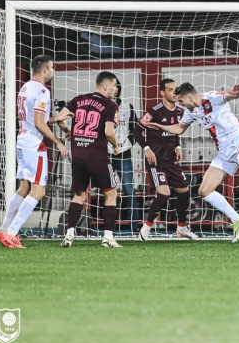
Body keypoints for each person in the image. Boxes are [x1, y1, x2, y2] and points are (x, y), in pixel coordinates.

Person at [144, 82, 239, 242]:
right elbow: (179, 128)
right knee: (204, 190)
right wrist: (160, 126)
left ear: (190, 97)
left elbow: (228, 96)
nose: (180, 105)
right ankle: (237, 219)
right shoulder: (190, 111)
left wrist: (236, 93)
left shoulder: (211, 98)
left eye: (181, 101)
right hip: (224, 152)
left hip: (237, 142)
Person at [0, 54, 69, 249]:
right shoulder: (42, 91)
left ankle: (3, 230)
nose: (54, 70)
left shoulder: (26, 87)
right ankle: (11, 233)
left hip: (23, 141)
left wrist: (56, 118)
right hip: (34, 145)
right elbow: (38, 123)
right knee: (39, 190)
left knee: (24, 188)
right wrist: (58, 142)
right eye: (52, 67)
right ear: (44, 70)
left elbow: (35, 118)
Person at [56, 71, 123, 248]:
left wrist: (68, 132)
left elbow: (60, 118)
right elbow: (109, 132)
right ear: (105, 86)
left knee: (79, 195)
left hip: (78, 155)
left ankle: (69, 234)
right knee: (111, 193)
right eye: (114, 85)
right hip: (98, 156)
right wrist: (116, 145)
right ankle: (108, 237)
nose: (116, 89)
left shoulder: (79, 100)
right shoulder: (110, 105)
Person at [134, 78, 197, 241]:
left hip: (171, 160)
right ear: (162, 92)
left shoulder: (179, 111)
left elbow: (176, 131)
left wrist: (178, 147)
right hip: (157, 161)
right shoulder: (154, 111)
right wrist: (147, 149)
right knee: (164, 194)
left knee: (184, 191)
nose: (174, 92)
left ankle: (182, 227)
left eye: (175, 89)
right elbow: (137, 130)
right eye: (170, 89)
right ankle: (146, 228)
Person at [110, 80, 140, 233]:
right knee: (108, 191)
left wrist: (127, 144)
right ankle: (109, 228)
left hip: (124, 155)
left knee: (129, 190)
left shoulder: (127, 106)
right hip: (105, 155)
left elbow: (135, 128)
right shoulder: (101, 106)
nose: (114, 89)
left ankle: (135, 227)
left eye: (116, 86)